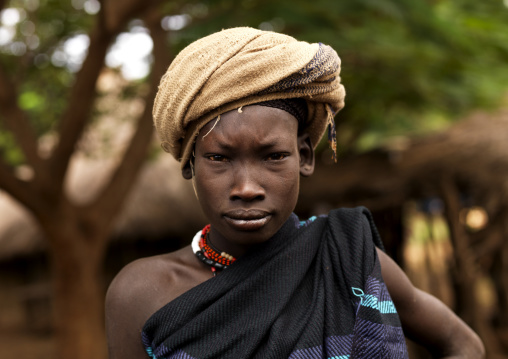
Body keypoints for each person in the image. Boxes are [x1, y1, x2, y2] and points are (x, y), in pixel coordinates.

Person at [105, 27, 485, 359]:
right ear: (190, 164)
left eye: (273, 156)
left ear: (304, 157)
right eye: (219, 157)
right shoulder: (142, 292)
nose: (247, 188)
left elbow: (464, 344)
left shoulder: (348, 260)